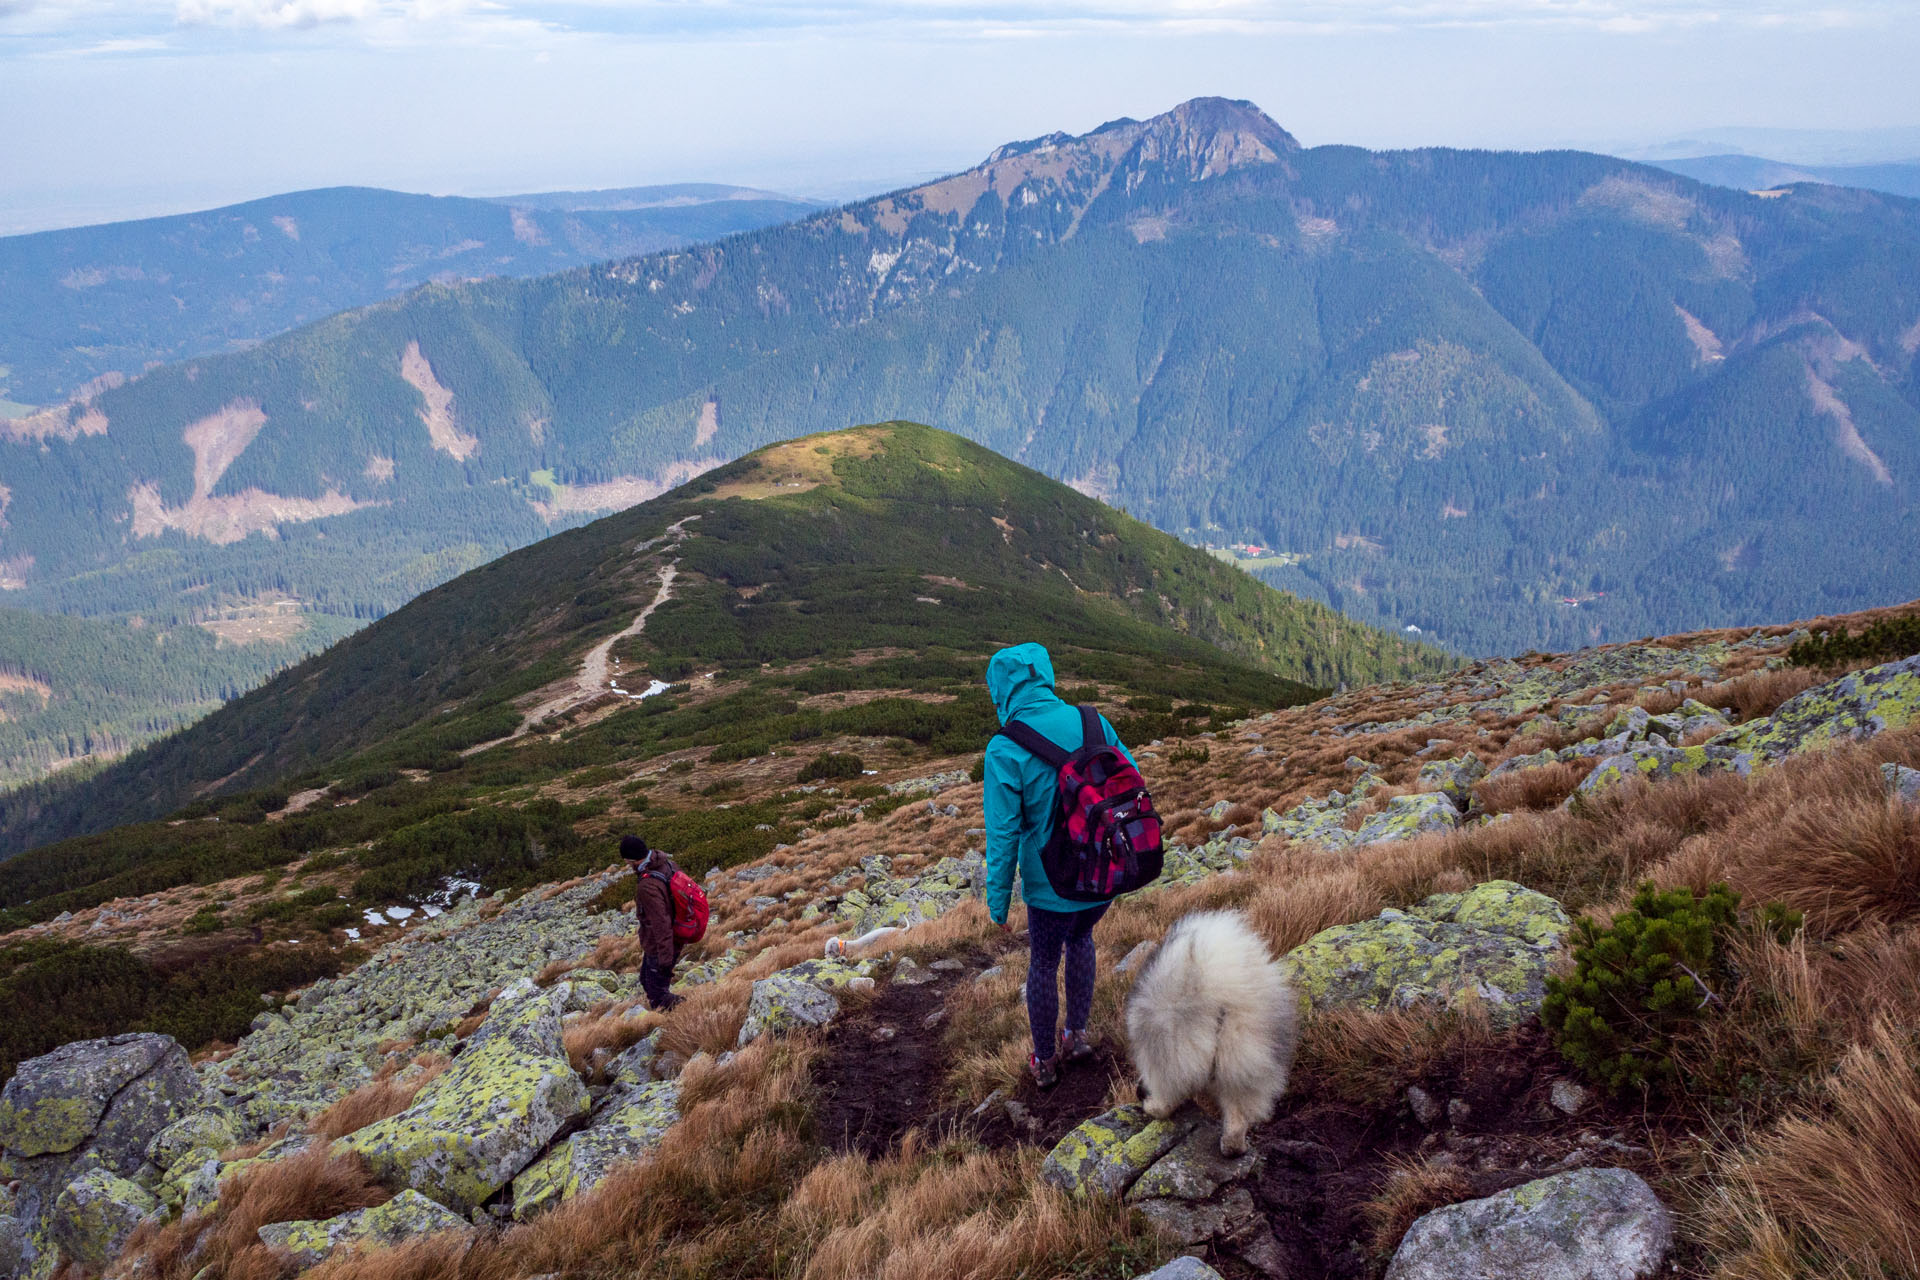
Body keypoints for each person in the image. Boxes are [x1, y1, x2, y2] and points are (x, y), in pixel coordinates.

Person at [983, 642, 1139, 1088]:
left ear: (1002, 690)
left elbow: (1004, 835)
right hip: (1102, 877)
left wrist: (998, 903)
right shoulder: (1094, 721)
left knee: (1043, 964)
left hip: (1051, 886)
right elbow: (1131, 782)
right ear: (1045, 676)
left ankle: (1045, 1061)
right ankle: (1077, 1035)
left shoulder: (1004, 748)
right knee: (1083, 939)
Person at [623, 833, 684, 1011]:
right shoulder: (666, 864)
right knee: (646, 980)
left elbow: (661, 922)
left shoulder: (647, 885)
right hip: (675, 934)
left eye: (627, 862)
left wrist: (665, 959)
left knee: (657, 992)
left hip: (661, 944)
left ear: (632, 859)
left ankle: (683, 1014)